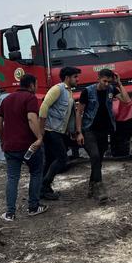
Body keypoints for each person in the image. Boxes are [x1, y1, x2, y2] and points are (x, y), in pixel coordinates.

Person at [0, 74, 48, 221]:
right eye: (36, 84)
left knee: (12, 178)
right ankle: (33, 207)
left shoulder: (7, 99)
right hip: (29, 145)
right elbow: (32, 118)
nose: (36, 87)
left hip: (10, 147)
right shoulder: (30, 98)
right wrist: (39, 138)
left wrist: (2, 140)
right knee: (36, 173)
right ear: (31, 85)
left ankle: (10, 213)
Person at [79, 68, 130, 202]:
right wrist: (78, 132)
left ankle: (92, 185)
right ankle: (99, 187)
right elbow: (79, 113)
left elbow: (126, 100)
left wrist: (119, 83)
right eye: (104, 81)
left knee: (98, 160)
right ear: (98, 79)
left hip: (104, 131)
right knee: (95, 156)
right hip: (89, 129)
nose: (107, 84)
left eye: (109, 81)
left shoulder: (112, 90)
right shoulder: (87, 91)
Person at [39, 66, 83, 201]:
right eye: (75, 77)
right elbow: (44, 107)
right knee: (62, 159)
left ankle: (42, 190)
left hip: (59, 131)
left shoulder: (69, 92)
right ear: (67, 77)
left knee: (50, 160)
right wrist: (41, 130)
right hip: (52, 131)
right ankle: (44, 185)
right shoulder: (57, 89)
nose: (78, 79)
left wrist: (73, 131)